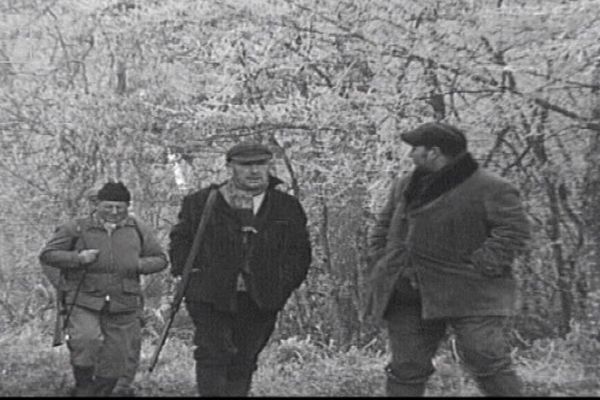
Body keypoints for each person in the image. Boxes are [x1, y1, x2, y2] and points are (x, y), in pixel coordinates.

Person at [363, 122, 530, 396]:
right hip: (408, 293)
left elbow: (514, 232)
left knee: (486, 360)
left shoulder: (492, 187)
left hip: (471, 293)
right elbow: (382, 228)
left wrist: (479, 265)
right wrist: (382, 260)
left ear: (434, 152)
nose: (410, 154)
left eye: (416, 148)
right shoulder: (405, 185)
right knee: (406, 367)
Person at [169, 142, 312, 397]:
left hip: (261, 297)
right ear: (230, 167)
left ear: (269, 166)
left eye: (260, 164)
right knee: (212, 355)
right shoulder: (201, 202)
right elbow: (180, 241)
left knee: (244, 359)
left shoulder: (286, 206)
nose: (254, 171)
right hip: (210, 296)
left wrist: (281, 286)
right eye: (246, 165)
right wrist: (193, 279)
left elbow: (299, 254)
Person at [39, 181, 168, 396]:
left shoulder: (137, 228)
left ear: (128, 206)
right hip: (84, 298)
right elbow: (48, 255)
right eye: (108, 206)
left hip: (123, 301)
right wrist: (77, 258)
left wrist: (138, 265)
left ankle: (99, 392)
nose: (114, 212)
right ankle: (84, 387)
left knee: (116, 358)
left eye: (120, 207)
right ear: (97, 205)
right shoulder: (76, 227)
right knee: (85, 340)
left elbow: (160, 259)